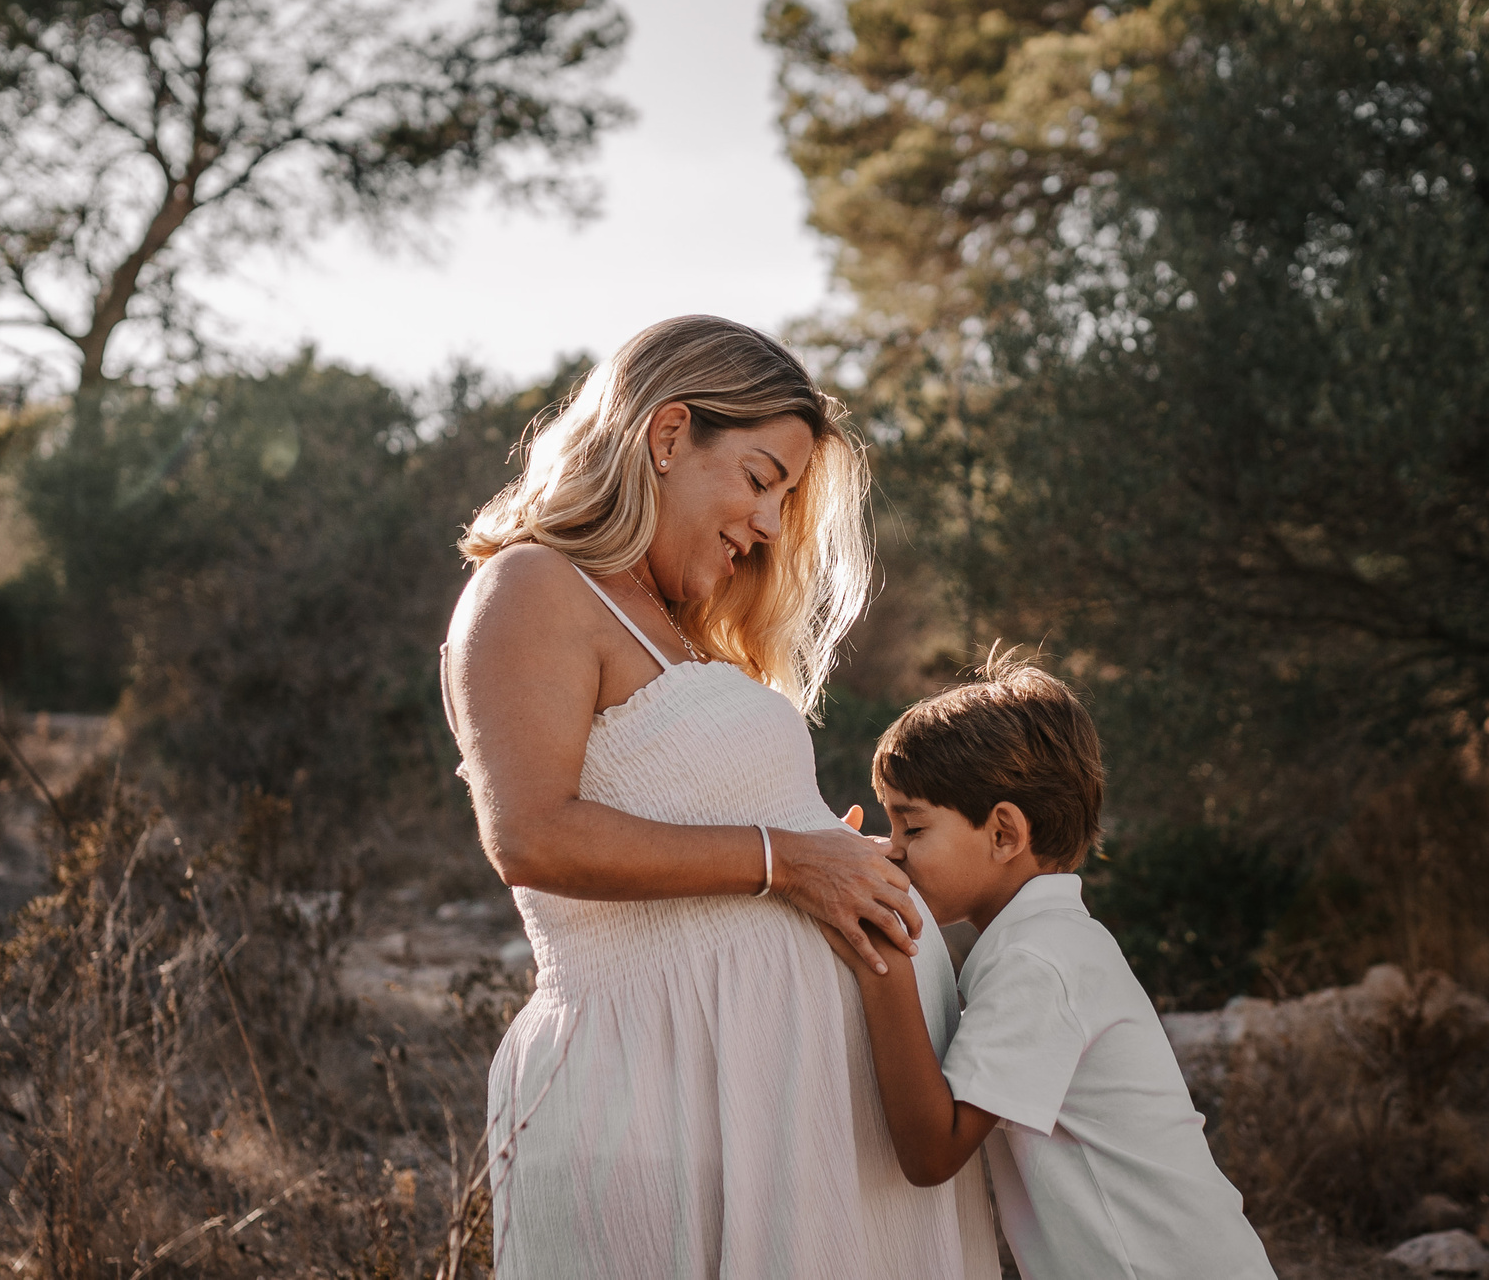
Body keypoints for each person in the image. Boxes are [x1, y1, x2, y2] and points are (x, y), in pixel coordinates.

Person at [443, 315, 998, 1276]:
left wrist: (831, 855)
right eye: (758, 479)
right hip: (661, 1096)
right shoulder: (534, 586)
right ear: (667, 436)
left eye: (785, 497)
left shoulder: (684, 632)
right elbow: (529, 835)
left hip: (789, 1119)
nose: (772, 524)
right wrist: (789, 859)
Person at [825, 656, 1279, 1280]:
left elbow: (932, 1151)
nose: (894, 848)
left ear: (1004, 834)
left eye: (913, 825)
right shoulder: (1049, 943)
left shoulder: (1037, 963)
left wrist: (878, 947)